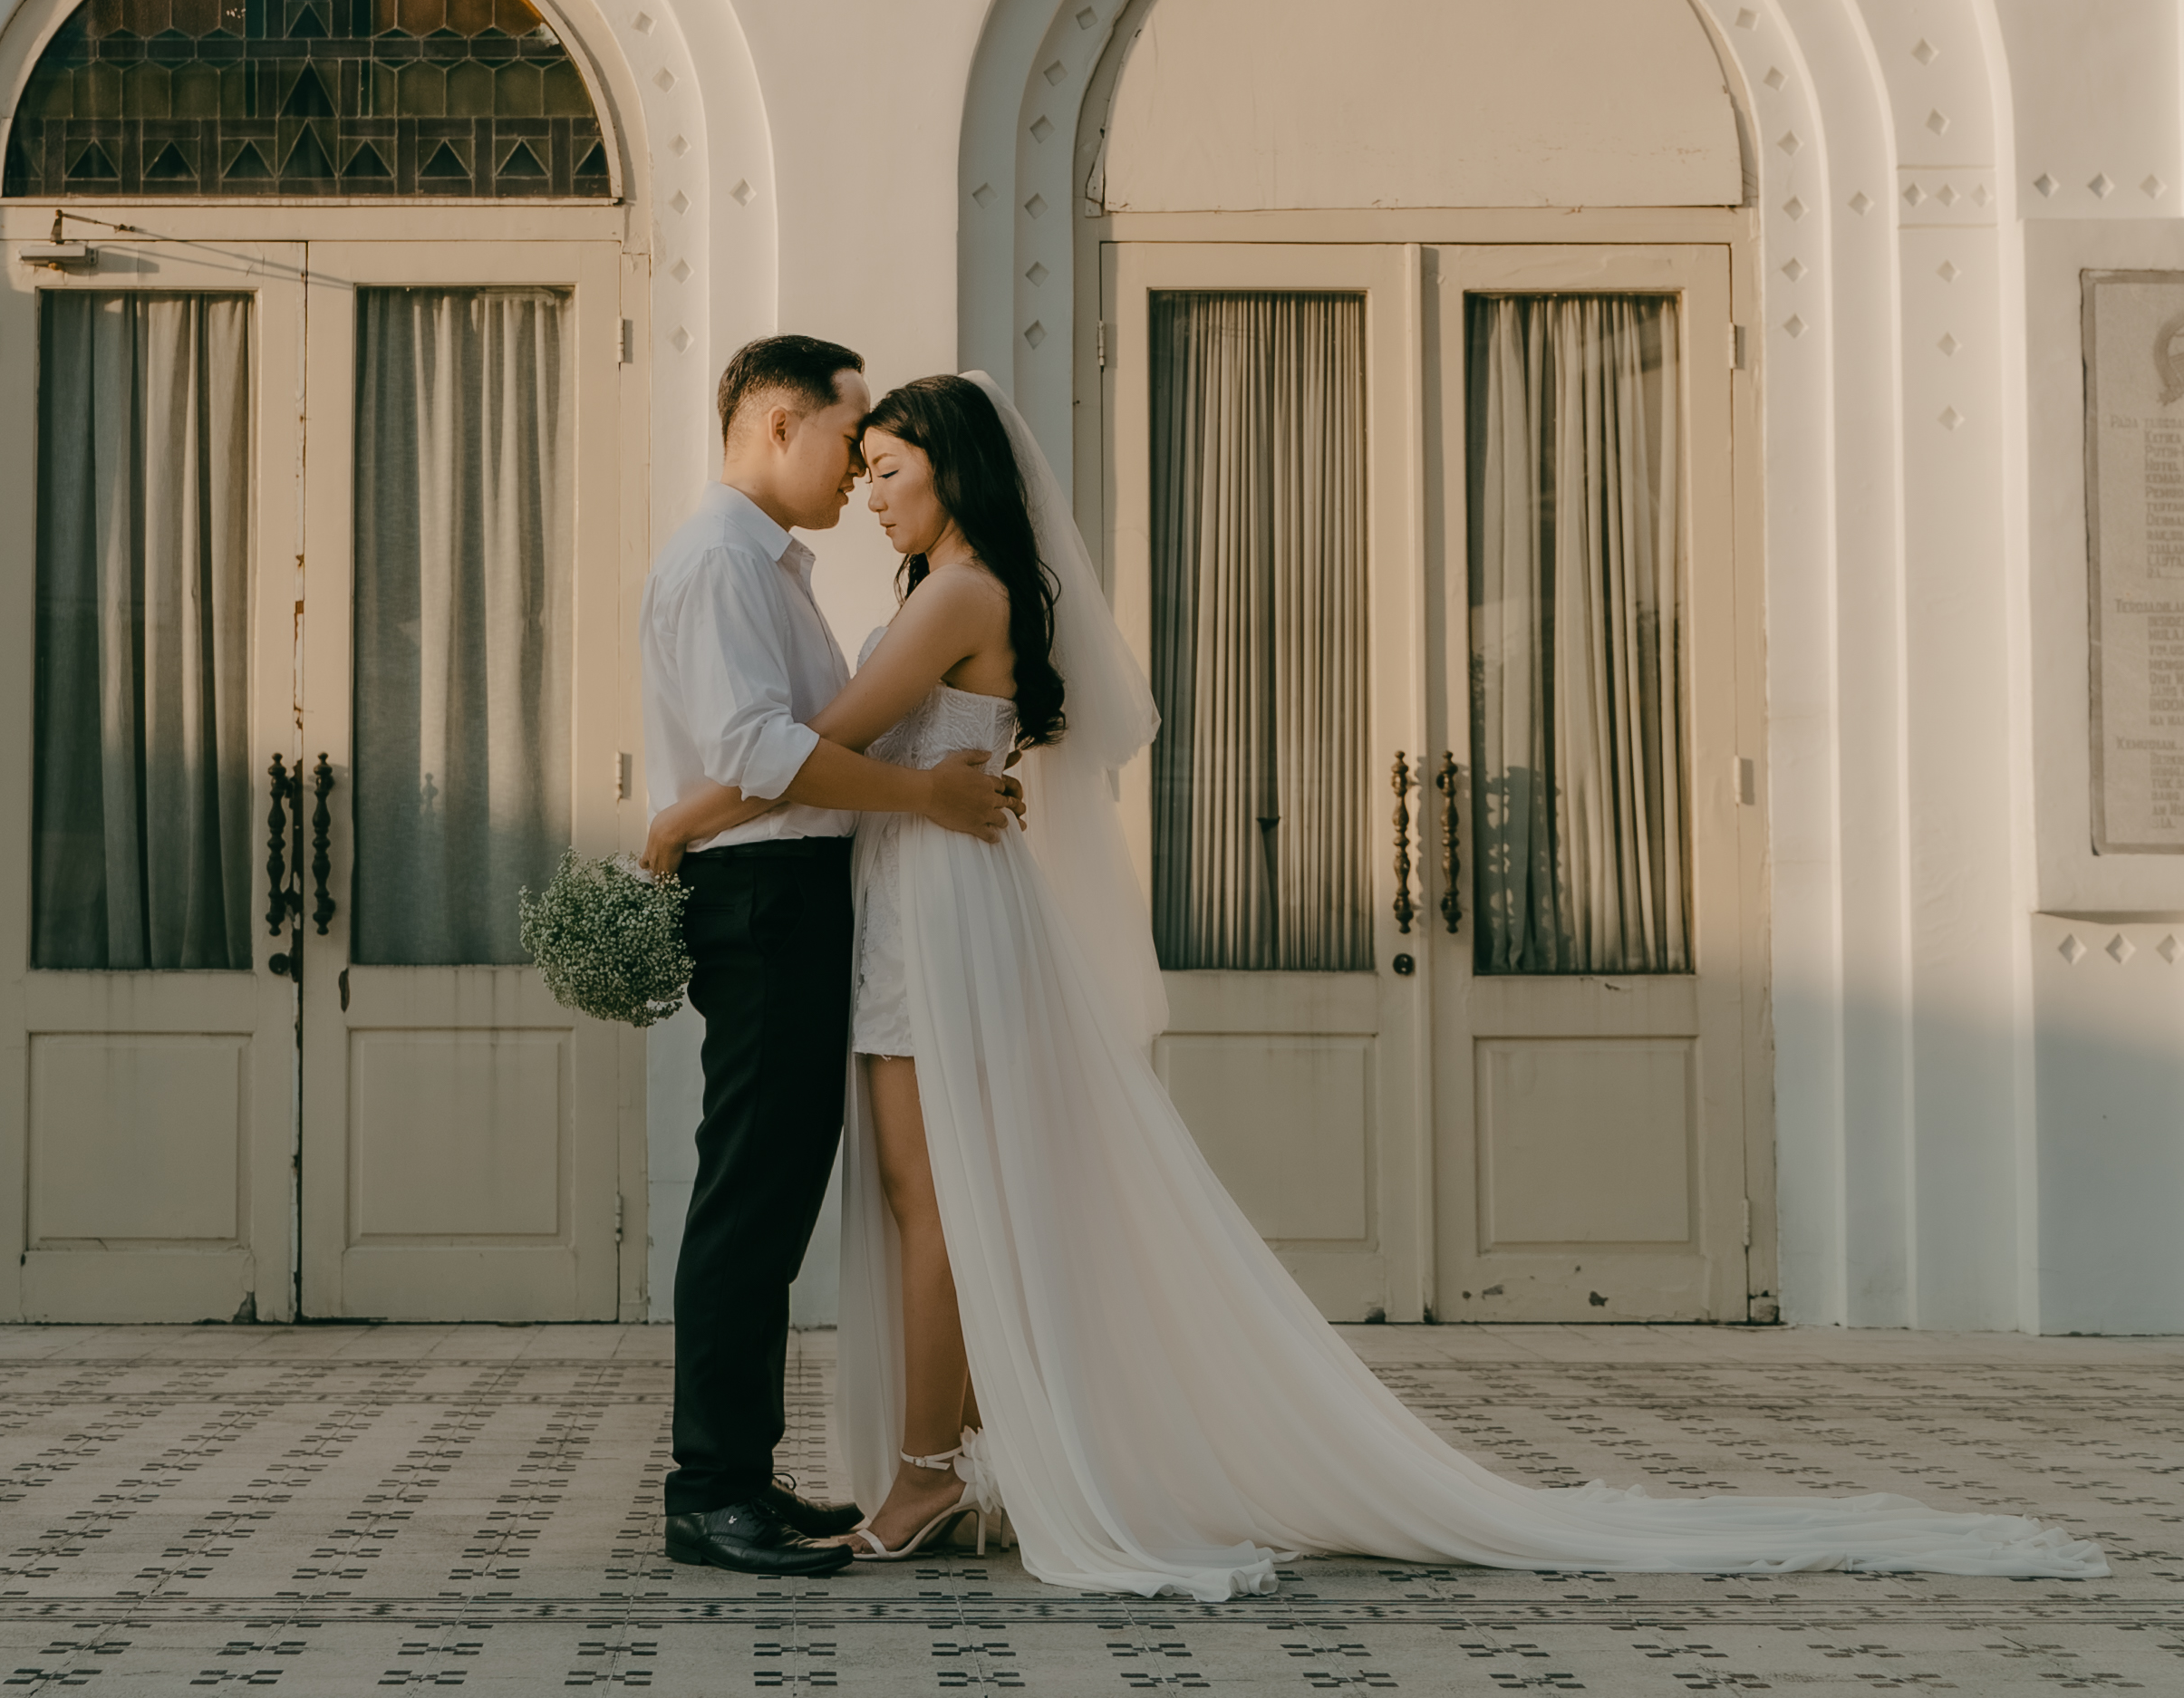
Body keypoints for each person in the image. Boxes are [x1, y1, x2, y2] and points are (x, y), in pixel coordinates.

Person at [646, 369, 2106, 1597]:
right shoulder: (948, 580)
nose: (875, 493)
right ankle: (953, 1460)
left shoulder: (951, 587)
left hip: (937, 914)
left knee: (930, 1200)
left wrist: (670, 823)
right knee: (934, 1197)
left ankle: (919, 1480)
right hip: (932, 893)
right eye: (870, 465)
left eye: (892, 467)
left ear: (949, 470)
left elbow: (815, 735)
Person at [644, 335, 1023, 1579]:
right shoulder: (720, 564)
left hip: (816, 896)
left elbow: (795, 739)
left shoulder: (784, 570)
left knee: (777, 1193)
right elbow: (766, 751)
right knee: (751, 1193)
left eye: (885, 451)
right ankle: (712, 1485)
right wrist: (915, 794)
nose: (861, 469)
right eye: (849, 437)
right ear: (775, 422)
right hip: (766, 897)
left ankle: (743, 1470)